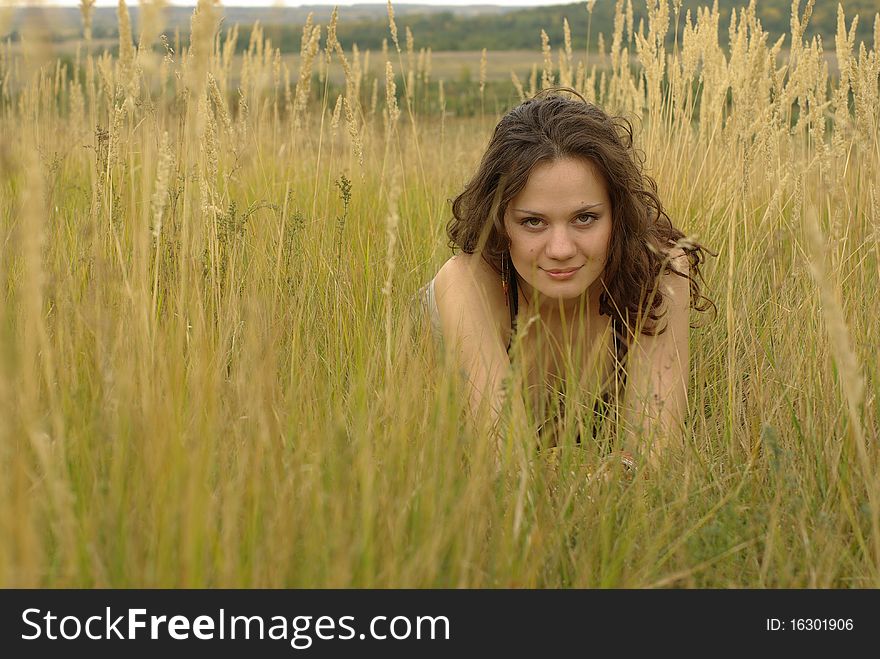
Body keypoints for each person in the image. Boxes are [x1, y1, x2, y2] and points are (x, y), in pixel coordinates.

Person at [419, 88, 715, 475]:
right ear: (499, 222)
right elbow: (506, 466)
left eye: (585, 218)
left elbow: (652, 456)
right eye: (533, 222)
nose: (560, 249)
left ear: (619, 215)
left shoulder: (656, 272)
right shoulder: (467, 283)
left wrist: (616, 473)